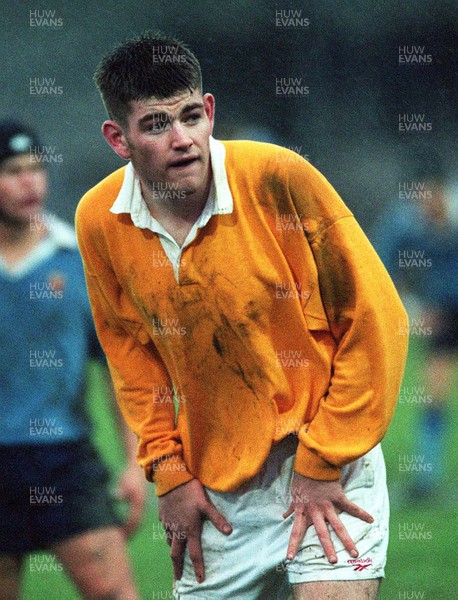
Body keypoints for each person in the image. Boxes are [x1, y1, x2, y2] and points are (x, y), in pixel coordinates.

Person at [75, 31, 408, 600]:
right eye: (156, 125)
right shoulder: (99, 220)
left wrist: (323, 462)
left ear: (209, 112)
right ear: (118, 138)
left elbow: (375, 319)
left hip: (328, 463)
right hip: (216, 491)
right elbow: (131, 355)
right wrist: (170, 474)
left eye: (189, 117)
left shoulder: (279, 176)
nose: (182, 140)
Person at [0, 120, 146, 600]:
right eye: (14, 171)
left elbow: (115, 366)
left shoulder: (76, 257)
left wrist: (132, 462)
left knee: (115, 594)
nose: (30, 183)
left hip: (62, 460)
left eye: (36, 169)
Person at [372, 155, 457, 501]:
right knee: (434, 395)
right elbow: (379, 263)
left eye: (429, 194)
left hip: (448, 310)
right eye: (418, 196)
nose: (424, 203)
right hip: (443, 315)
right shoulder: (403, 221)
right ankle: (426, 480)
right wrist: (412, 306)